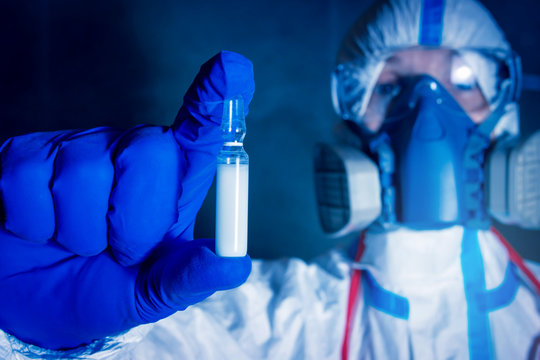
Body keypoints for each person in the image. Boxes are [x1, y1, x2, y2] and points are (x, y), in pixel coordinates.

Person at [0, 0, 539, 359]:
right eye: (391, 85)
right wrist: (37, 340)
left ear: (505, 116)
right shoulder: (270, 318)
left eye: (463, 82)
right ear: (350, 121)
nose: (425, 115)